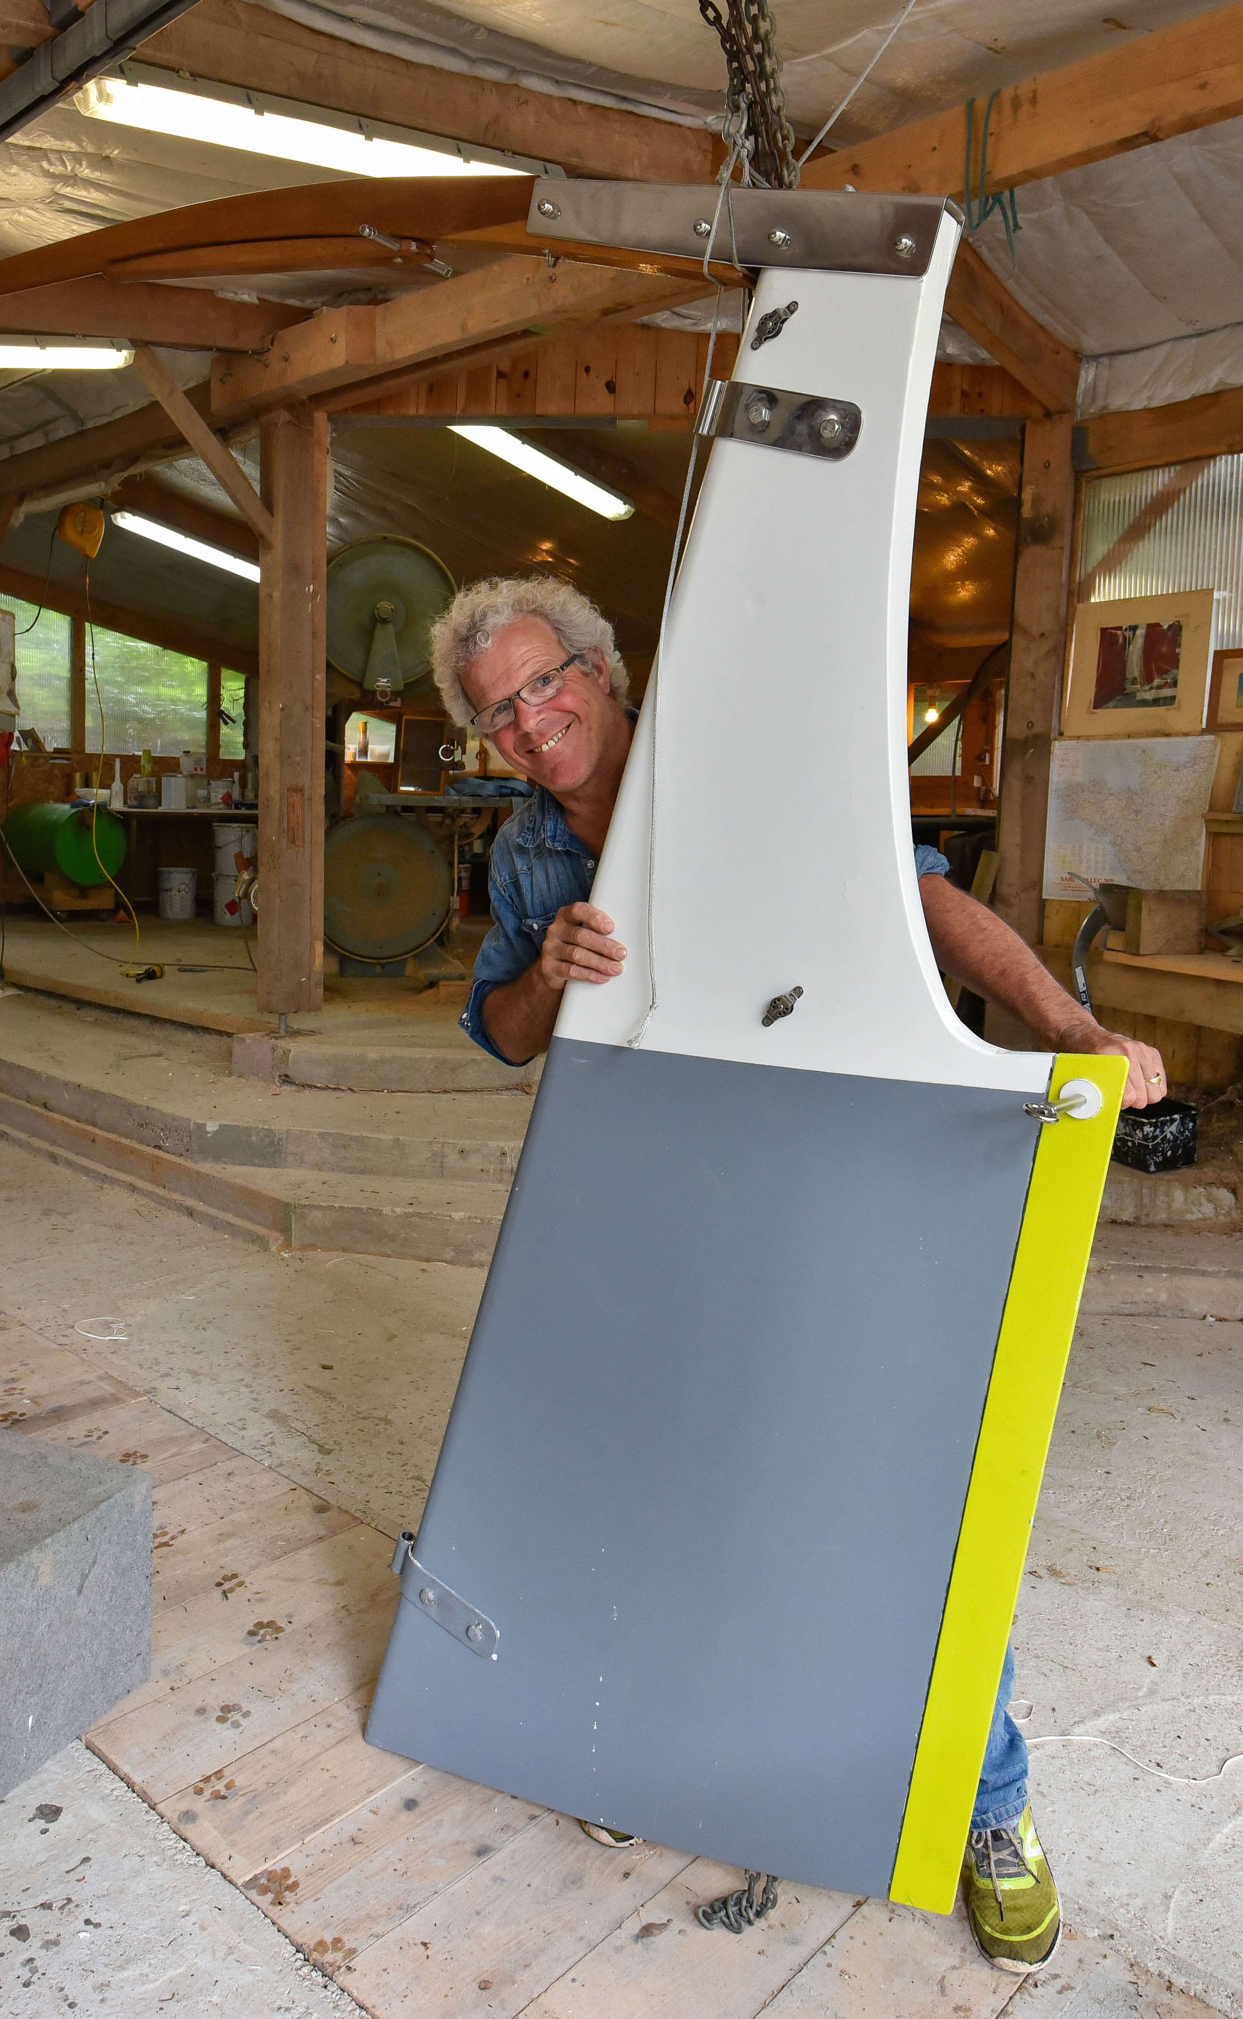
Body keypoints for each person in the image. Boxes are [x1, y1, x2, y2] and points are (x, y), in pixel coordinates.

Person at [429, 573, 1167, 1977]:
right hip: (656, 1184)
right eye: (497, 712)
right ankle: (651, 1751)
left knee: (907, 1486)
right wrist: (554, 973)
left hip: (835, 1154)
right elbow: (506, 1030)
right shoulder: (528, 851)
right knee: (661, 1473)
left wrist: (1076, 1031)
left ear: (600, 667)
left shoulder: (743, 751)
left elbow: (926, 905)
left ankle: (987, 1807)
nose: (531, 724)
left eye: (544, 685)